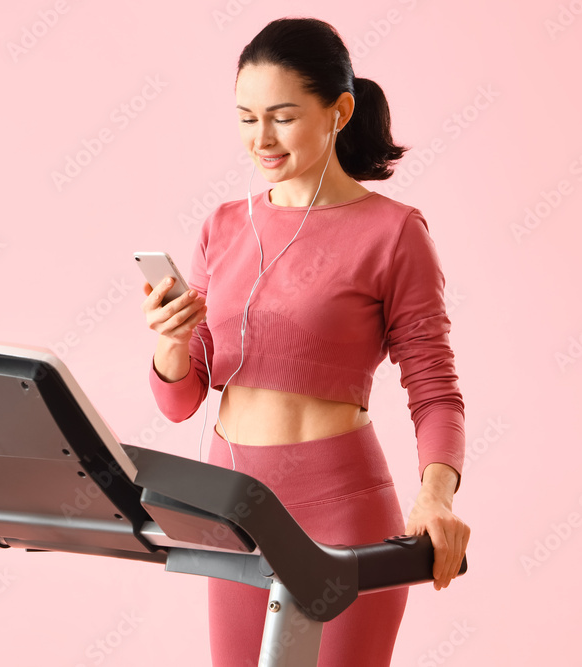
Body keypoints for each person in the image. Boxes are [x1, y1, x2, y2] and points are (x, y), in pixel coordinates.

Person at [139, 16, 471, 667]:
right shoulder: (224, 225)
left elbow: (435, 387)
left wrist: (434, 494)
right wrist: (172, 343)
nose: (260, 137)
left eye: (283, 116)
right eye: (245, 117)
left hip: (340, 510)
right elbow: (181, 400)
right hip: (230, 508)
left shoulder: (393, 232)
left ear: (339, 110)